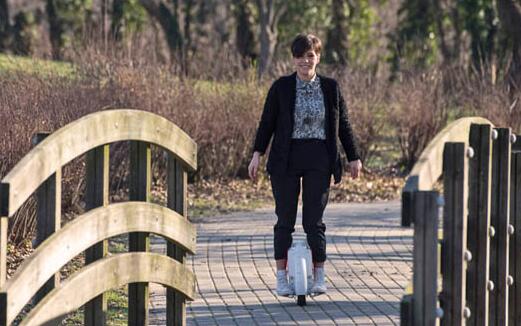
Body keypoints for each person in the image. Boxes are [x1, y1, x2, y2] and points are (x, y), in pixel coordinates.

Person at [248, 33, 362, 296]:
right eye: (300, 56)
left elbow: (343, 124)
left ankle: (320, 277)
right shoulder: (281, 87)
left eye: (310, 55)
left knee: (314, 221)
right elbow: (267, 123)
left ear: (318, 57)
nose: (305, 61)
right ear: (293, 59)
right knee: (284, 220)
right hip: (286, 158)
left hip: (319, 158)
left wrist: (353, 156)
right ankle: (281, 278)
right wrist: (257, 153)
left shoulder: (331, 88)